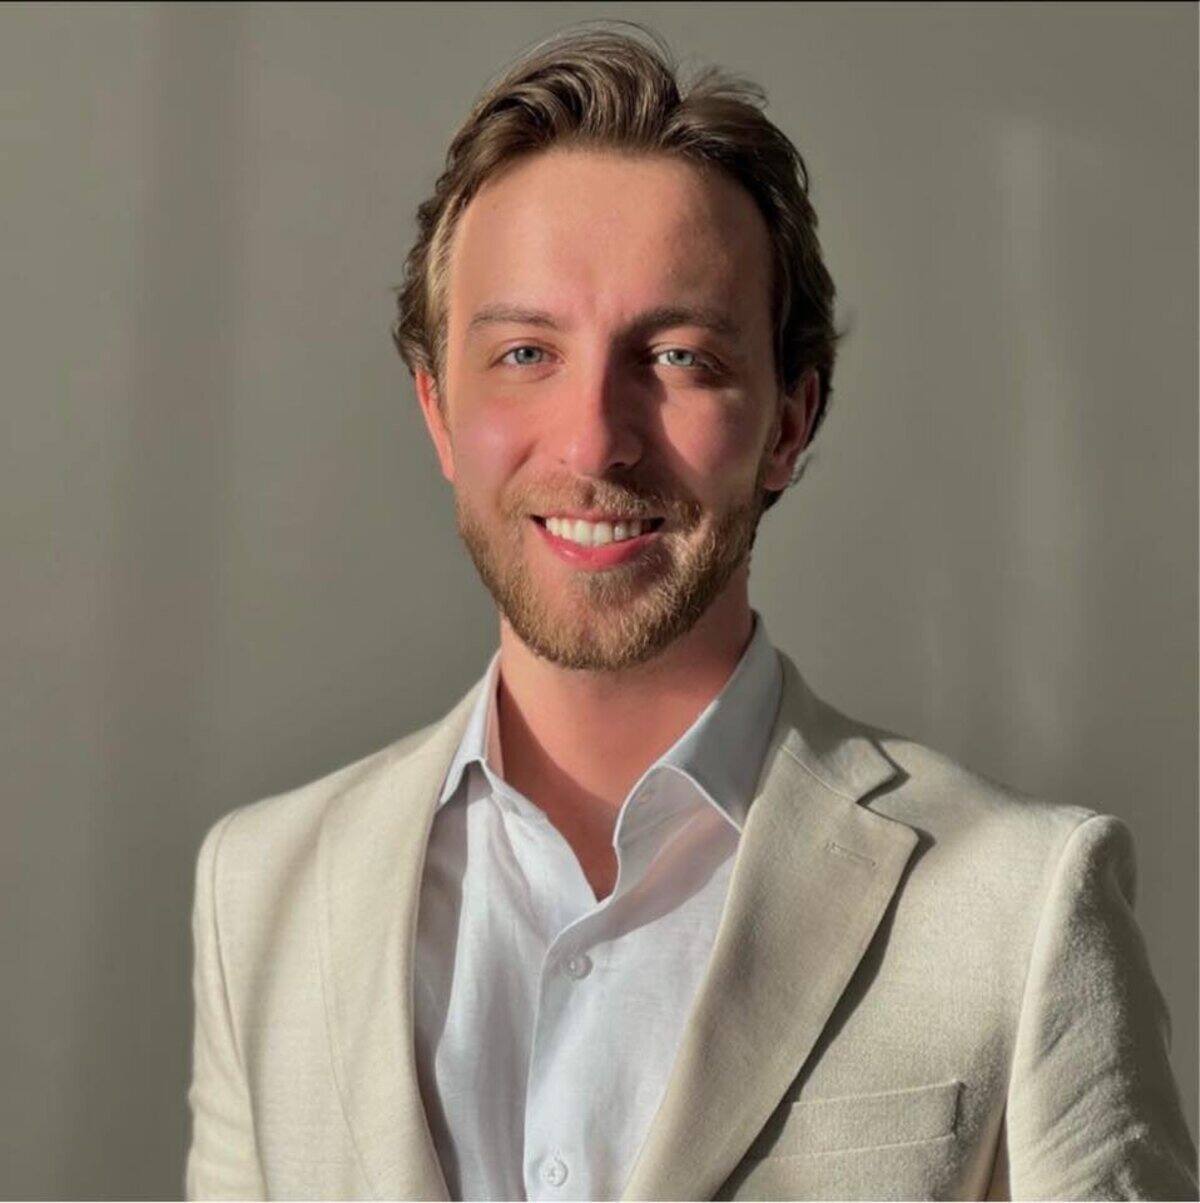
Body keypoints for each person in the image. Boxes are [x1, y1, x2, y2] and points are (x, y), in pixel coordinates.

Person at [184, 22, 1198, 1202]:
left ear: (789, 424)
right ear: (437, 411)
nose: (593, 442)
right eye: (525, 353)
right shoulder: (258, 889)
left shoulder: (1025, 904)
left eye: (676, 357)